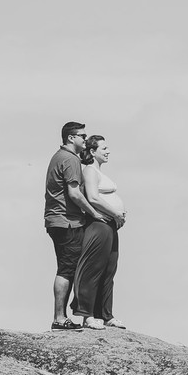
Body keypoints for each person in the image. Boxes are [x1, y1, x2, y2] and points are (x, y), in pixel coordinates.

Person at [44, 121, 109, 331]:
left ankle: (64, 316)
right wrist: (94, 213)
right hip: (66, 222)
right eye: (82, 136)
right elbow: (74, 194)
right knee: (67, 269)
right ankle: (59, 318)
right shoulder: (70, 159)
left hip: (59, 220)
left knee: (68, 267)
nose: (85, 139)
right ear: (71, 138)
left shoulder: (60, 156)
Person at [72, 134, 127, 330]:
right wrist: (116, 213)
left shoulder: (99, 172)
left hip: (110, 225)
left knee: (109, 269)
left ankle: (105, 314)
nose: (108, 151)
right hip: (99, 225)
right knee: (93, 269)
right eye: (104, 148)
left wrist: (117, 216)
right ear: (93, 151)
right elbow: (93, 198)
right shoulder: (90, 171)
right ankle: (87, 316)